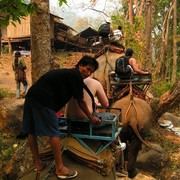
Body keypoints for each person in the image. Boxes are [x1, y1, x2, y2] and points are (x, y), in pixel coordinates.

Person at [22, 55, 101, 179]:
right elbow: (81, 101)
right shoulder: (75, 76)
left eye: (91, 71)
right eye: (87, 69)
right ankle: (60, 168)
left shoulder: (69, 74)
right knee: (54, 133)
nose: (88, 73)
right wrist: (91, 118)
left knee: (32, 131)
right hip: (44, 101)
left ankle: (37, 163)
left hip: (32, 96)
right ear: (80, 65)